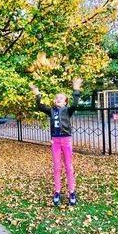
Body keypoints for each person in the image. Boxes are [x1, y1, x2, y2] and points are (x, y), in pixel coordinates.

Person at [29, 78, 83, 206]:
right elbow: (40, 106)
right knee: (57, 167)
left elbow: (75, 104)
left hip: (66, 140)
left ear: (65, 102)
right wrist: (37, 93)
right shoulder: (52, 111)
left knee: (69, 167)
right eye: (57, 98)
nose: (58, 99)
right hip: (55, 141)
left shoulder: (68, 110)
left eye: (61, 98)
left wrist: (76, 89)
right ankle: (57, 191)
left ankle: (72, 192)